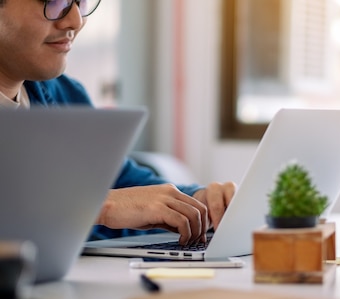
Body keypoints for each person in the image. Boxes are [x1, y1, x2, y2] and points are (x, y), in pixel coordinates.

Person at [0, 0, 236, 245]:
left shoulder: (66, 95)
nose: (75, 21)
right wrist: (99, 207)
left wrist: (202, 201)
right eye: (55, 2)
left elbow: (120, 182)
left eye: (80, 2)